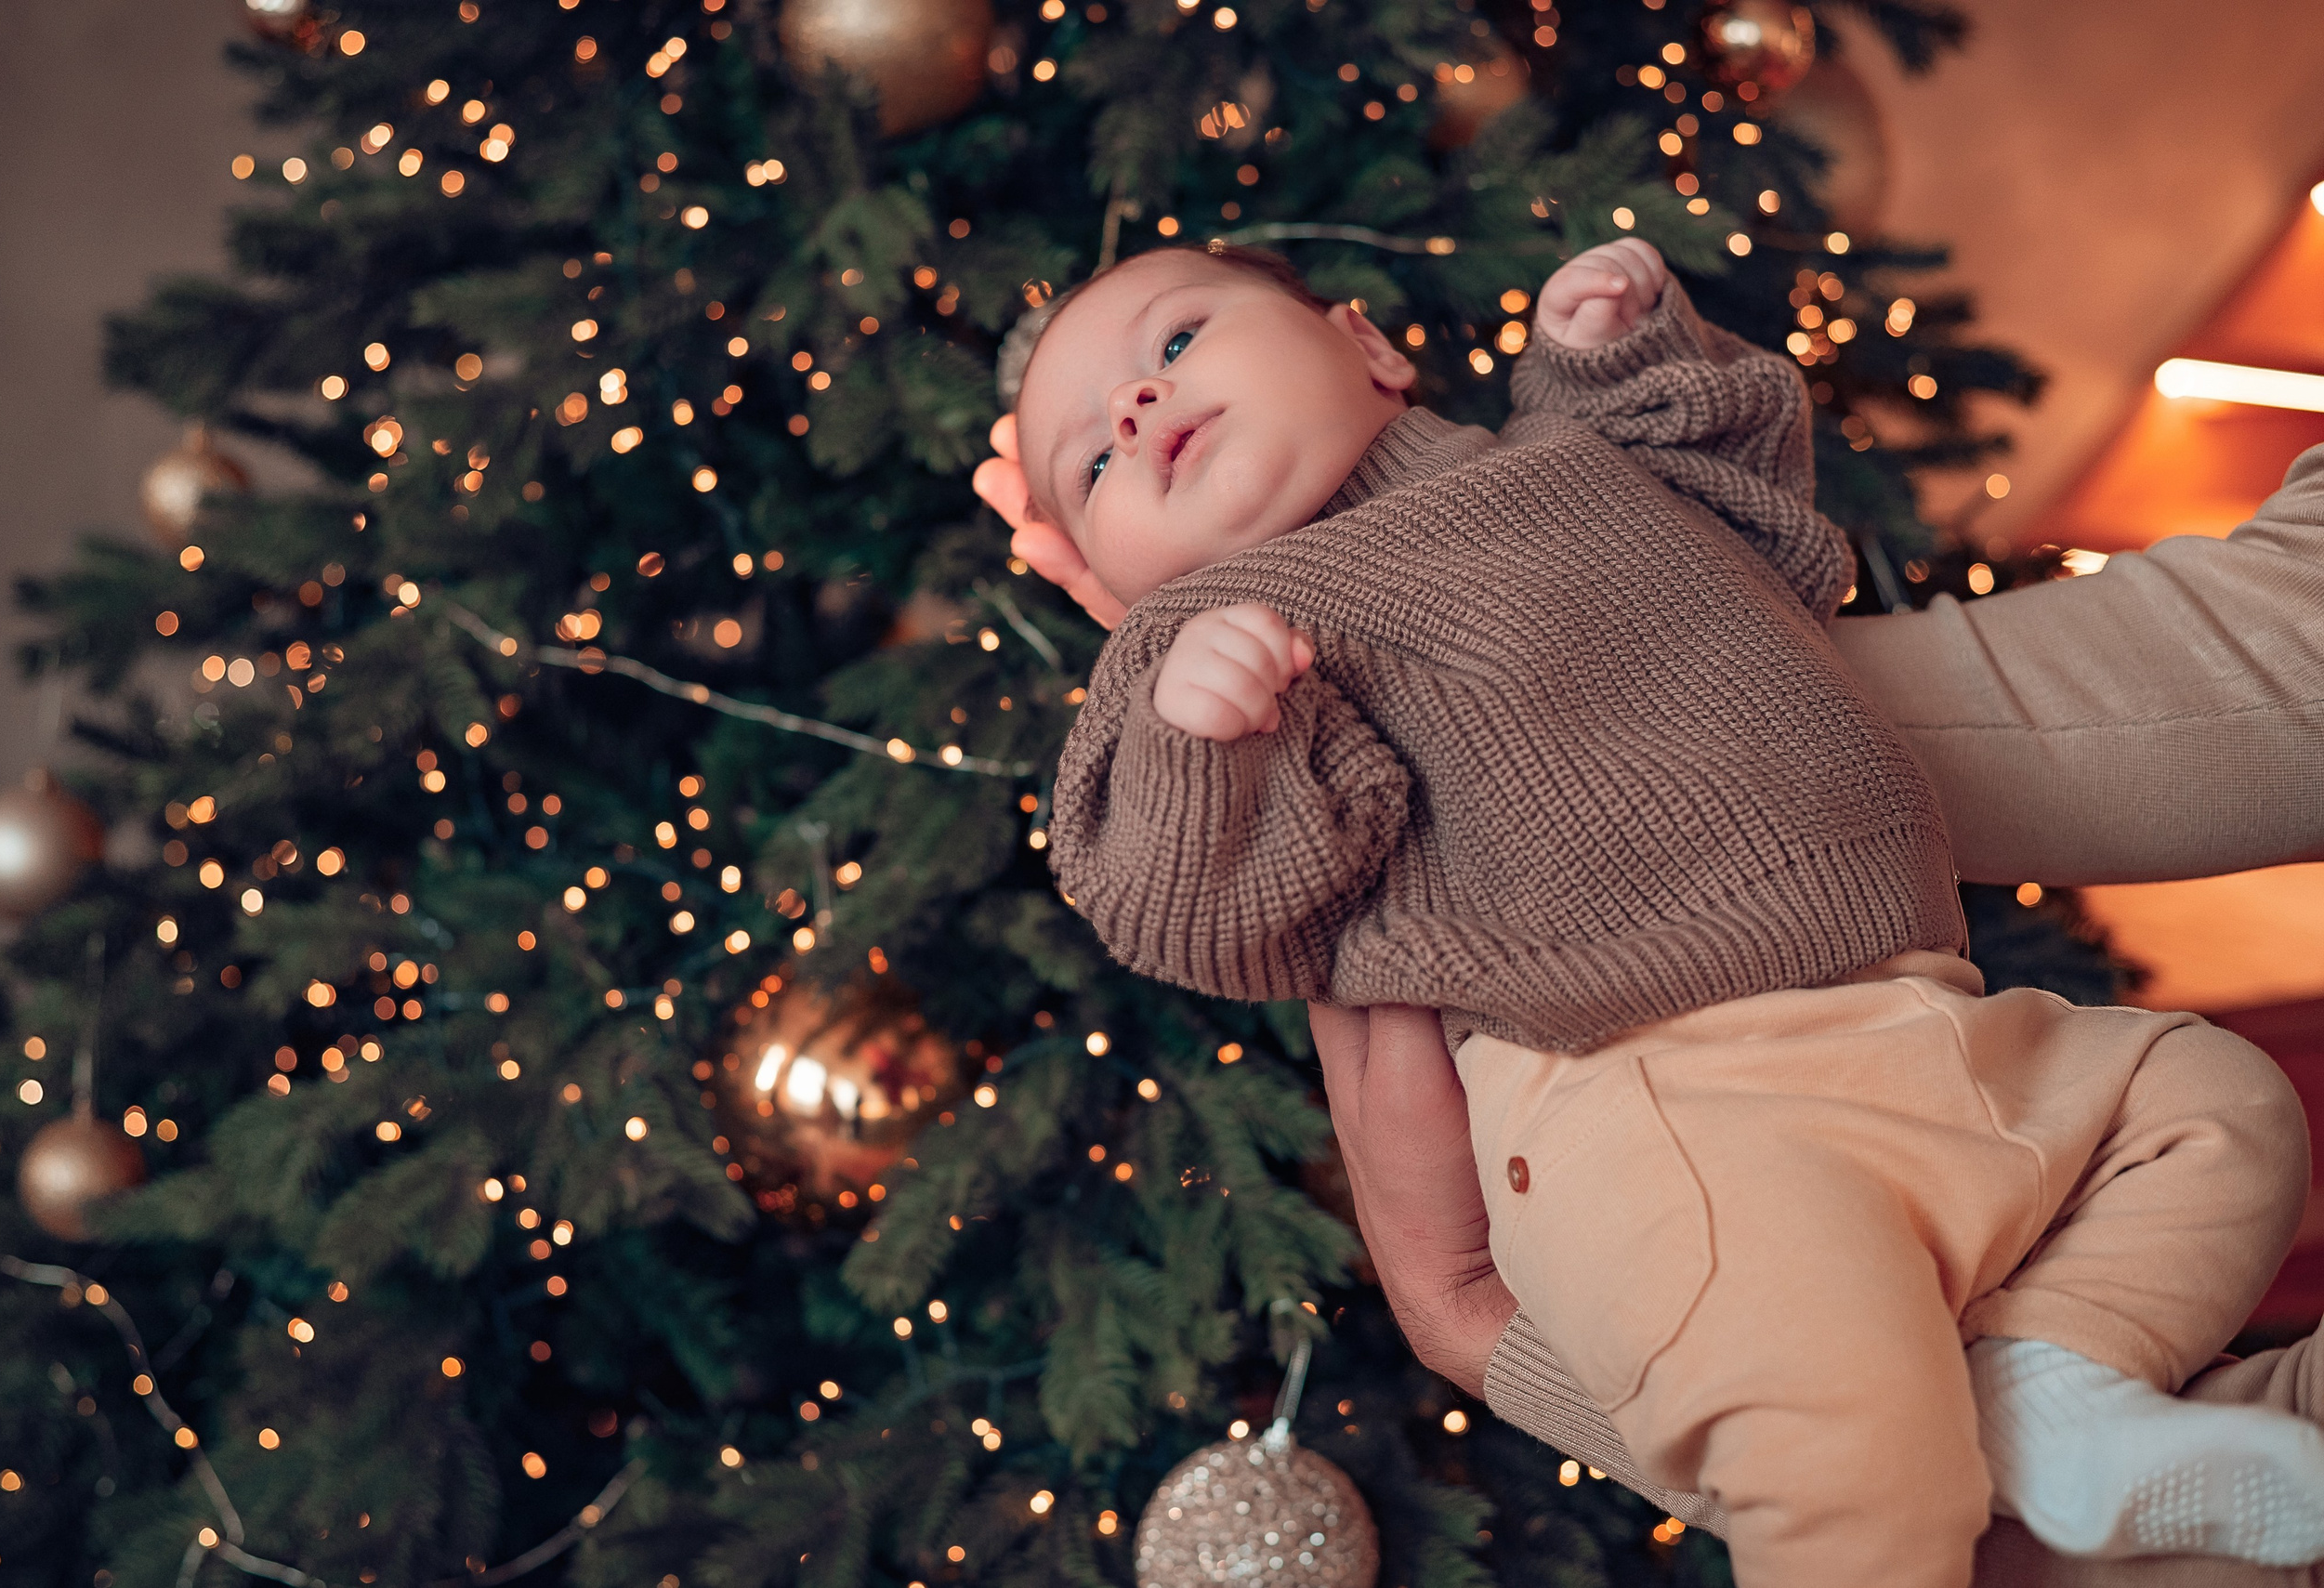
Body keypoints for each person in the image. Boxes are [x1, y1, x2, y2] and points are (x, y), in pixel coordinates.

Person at [975, 236, 2324, 1582]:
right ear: (1117, 580)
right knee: (1849, 1451)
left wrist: (1619, 351)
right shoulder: (1220, 639)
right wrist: (1198, 736)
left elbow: (1757, 516)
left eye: (1174, 341)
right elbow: (1184, 905)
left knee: (2217, 1108)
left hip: (1927, 1016)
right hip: (1654, 1095)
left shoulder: (1569, 458)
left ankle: (2057, 1388)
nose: (1135, 411)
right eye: (1089, 466)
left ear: (1368, 345)